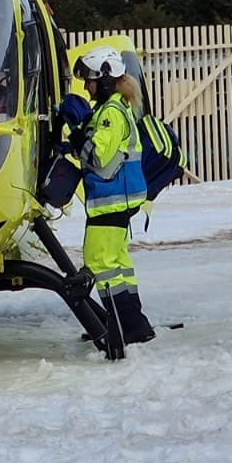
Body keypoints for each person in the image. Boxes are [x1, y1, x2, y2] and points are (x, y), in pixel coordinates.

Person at [67, 46, 154, 345]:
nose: (86, 86)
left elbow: (98, 159)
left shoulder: (111, 114)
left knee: (99, 263)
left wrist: (77, 136)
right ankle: (135, 324)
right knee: (118, 266)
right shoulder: (116, 108)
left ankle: (122, 327)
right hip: (121, 199)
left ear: (104, 80)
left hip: (111, 200)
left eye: (89, 80)